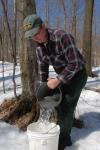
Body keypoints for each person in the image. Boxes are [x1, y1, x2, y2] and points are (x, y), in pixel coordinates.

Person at [23, 14, 87, 150]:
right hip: (63, 76)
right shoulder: (39, 47)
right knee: (58, 102)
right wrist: (42, 86)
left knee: (66, 106)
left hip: (78, 75)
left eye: (36, 33)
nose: (35, 38)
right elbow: (43, 66)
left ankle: (64, 140)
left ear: (43, 27)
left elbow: (74, 64)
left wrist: (58, 80)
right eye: (31, 36)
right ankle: (68, 121)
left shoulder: (62, 37)